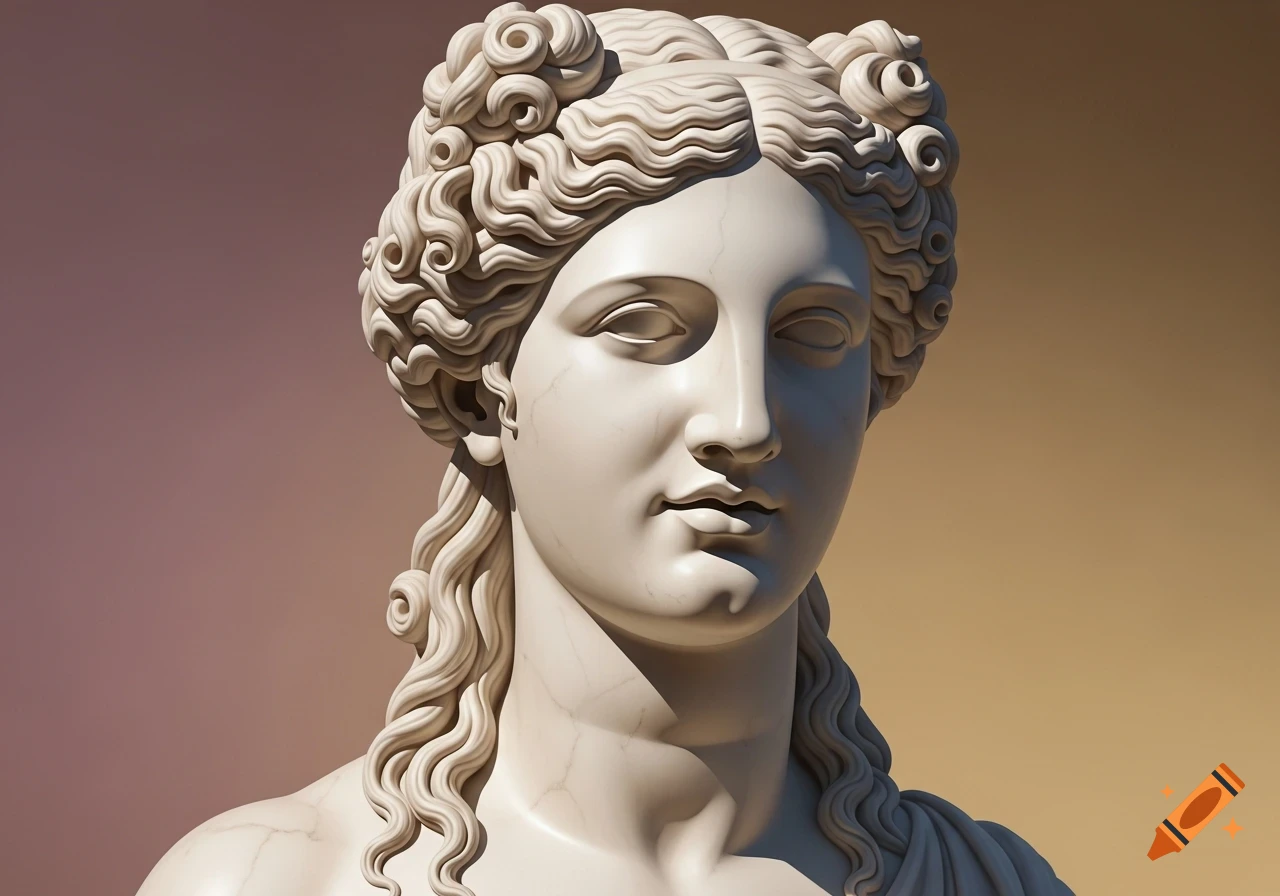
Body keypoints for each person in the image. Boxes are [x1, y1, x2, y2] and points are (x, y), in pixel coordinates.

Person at [137, 4, 1073, 895]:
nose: (744, 421)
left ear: (871, 382)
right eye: (645, 328)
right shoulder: (277, 882)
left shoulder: (989, 886)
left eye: (813, 334)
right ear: (479, 385)